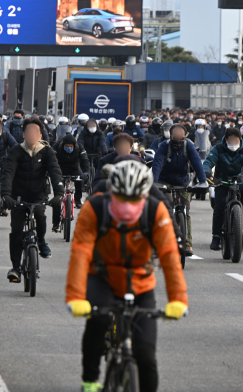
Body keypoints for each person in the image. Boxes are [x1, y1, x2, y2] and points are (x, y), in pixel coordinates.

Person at [65, 160, 188, 392]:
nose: (128, 204)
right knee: (97, 322)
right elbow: (80, 253)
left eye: (135, 198)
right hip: (102, 277)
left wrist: (178, 300)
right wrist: (76, 297)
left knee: (146, 357)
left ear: (145, 194)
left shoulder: (155, 210)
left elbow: (169, 256)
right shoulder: (95, 208)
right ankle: (90, 381)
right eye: (122, 197)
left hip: (141, 283)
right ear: (111, 191)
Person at [1, 118, 64, 280]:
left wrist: (59, 194)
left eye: (35, 132)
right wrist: (6, 195)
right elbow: (8, 173)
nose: (31, 134)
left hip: (38, 194)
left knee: (41, 216)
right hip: (18, 196)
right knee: (16, 231)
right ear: (23, 134)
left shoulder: (47, 151)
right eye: (28, 132)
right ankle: (15, 267)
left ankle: (41, 241)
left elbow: (55, 172)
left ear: (39, 134)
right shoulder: (16, 151)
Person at [203, 127, 243, 250]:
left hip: (239, 179)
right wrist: (207, 174)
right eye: (231, 140)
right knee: (219, 206)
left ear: (239, 140)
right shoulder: (218, 149)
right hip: (222, 180)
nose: (233, 143)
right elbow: (208, 162)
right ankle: (216, 236)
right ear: (226, 140)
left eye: (236, 140)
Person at [151, 124, 208, 256]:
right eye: (175, 132)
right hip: (165, 182)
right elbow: (157, 163)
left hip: (183, 183)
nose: (177, 134)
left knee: (186, 212)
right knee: (165, 209)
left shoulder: (189, 146)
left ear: (184, 135)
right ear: (171, 134)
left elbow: (197, 163)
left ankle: (187, 243)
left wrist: (203, 181)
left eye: (180, 132)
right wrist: (154, 181)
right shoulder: (164, 146)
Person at [53, 134, 90, 212]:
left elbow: (85, 160)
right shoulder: (57, 146)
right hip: (60, 168)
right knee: (58, 188)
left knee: (79, 180)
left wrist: (86, 172)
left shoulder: (79, 147)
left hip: (74, 167)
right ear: (63, 144)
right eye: (67, 146)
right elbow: (51, 160)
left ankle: (77, 200)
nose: (69, 148)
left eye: (71, 146)